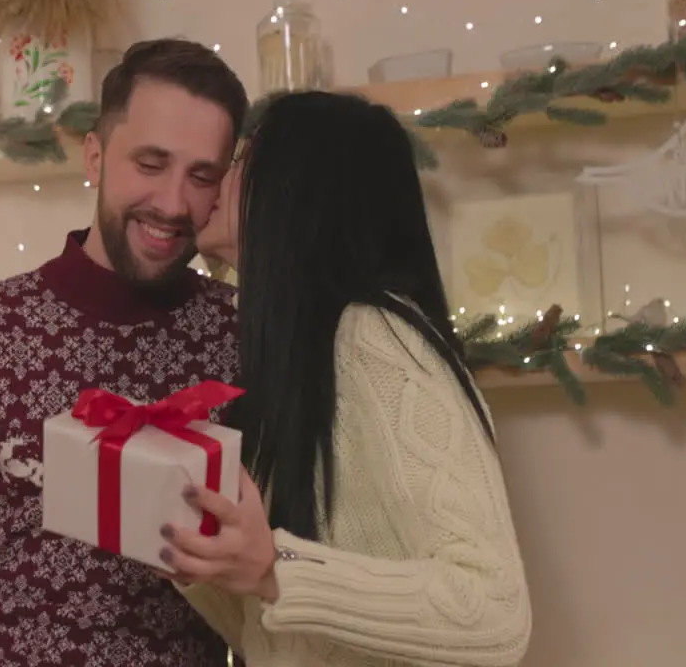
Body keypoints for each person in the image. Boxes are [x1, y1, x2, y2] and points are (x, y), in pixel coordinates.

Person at [0, 39, 249, 666]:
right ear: (94, 156)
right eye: (150, 164)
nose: (174, 204)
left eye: (201, 176)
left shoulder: (240, 338)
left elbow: (270, 584)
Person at [161, 91, 532, 666]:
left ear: (296, 190)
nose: (217, 178)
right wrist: (194, 557)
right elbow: (278, 638)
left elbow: (492, 610)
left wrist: (277, 568)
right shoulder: (290, 361)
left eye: (242, 162)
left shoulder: (374, 338)